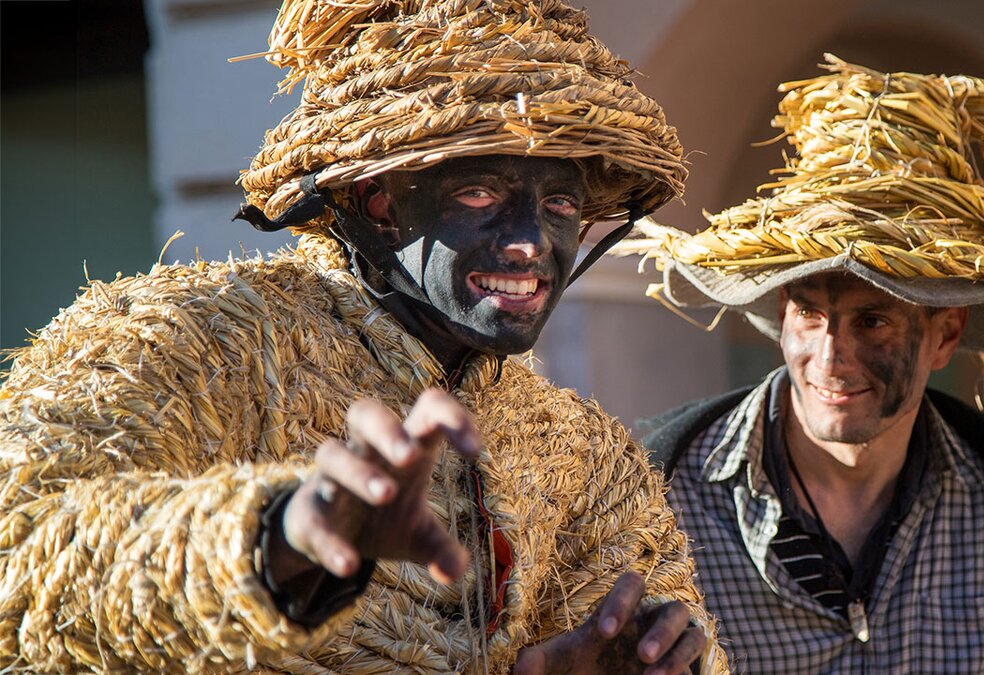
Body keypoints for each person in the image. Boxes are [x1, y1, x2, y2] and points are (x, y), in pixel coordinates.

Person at [0, 1, 729, 673]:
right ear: (379, 201)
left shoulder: (589, 460)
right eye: (481, 193)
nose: (529, 244)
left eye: (561, 202)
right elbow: (20, 544)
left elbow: (658, 623)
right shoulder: (193, 342)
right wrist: (280, 538)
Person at [622, 56, 984, 674]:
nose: (831, 357)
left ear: (946, 337)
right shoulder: (657, 497)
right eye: (809, 314)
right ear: (782, 314)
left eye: (872, 321)